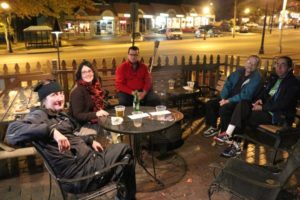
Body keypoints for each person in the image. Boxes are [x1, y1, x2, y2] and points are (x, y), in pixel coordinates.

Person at [6, 80, 136, 200]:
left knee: (123, 157)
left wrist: (89, 141)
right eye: (54, 95)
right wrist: (52, 132)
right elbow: (12, 131)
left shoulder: (57, 115)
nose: (60, 98)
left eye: (61, 93)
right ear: (44, 101)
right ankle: (128, 196)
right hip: (81, 176)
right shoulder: (40, 115)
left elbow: (69, 136)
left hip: (88, 162)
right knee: (125, 149)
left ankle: (122, 190)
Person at [216, 56, 300, 158]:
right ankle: (229, 135)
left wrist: (262, 107)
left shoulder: (293, 83)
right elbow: (264, 93)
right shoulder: (274, 78)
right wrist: (259, 100)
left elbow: (283, 103)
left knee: (244, 116)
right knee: (243, 103)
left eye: (283, 65)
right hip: (266, 110)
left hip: (278, 115)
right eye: (277, 64)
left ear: (290, 68)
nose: (279, 67)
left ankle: (234, 144)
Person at [203, 55, 263, 137]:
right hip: (228, 98)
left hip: (240, 102)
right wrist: (223, 98)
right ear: (246, 62)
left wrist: (228, 101)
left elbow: (246, 95)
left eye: (253, 64)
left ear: (257, 66)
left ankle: (225, 133)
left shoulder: (256, 78)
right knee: (210, 104)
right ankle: (213, 127)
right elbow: (227, 84)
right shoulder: (238, 72)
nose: (250, 65)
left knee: (225, 108)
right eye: (249, 62)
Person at [69, 60, 109, 135]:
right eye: (84, 72)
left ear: (93, 72)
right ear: (80, 75)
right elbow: (78, 115)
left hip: (95, 121)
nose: (87, 74)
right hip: (82, 126)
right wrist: (96, 114)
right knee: (108, 132)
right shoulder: (78, 91)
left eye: (89, 71)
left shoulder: (95, 87)